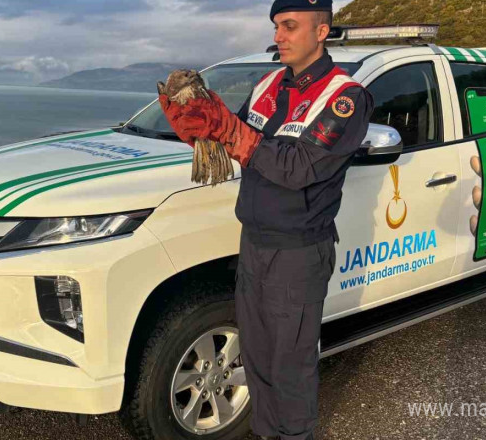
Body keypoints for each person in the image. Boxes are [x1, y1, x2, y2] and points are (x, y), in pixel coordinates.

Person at [158, 1, 373, 438]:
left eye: (291, 26)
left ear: (321, 31)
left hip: (297, 252)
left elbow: (298, 168)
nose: (279, 35)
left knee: (289, 370)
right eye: (277, 26)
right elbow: (236, 140)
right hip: (253, 243)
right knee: (255, 360)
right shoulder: (269, 83)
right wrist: (202, 130)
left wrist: (231, 132)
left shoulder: (346, 97)